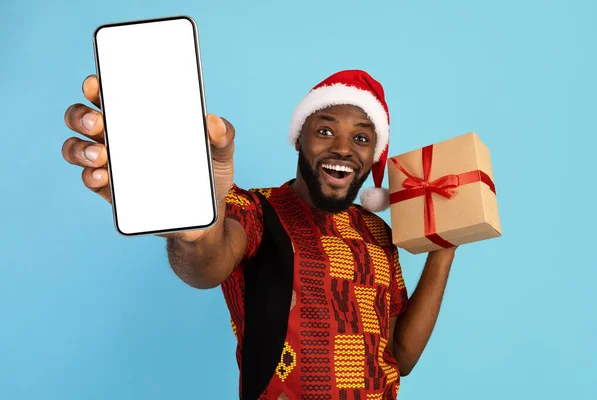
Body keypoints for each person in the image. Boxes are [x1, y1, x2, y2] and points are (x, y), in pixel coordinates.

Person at [63, 69, 457, 400]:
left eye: (361, 138)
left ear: (374, 155)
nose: (342, 149)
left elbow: (400, 357)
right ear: (299, 139)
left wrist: (444, 246)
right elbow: (207, 267)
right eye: (324, 131)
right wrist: (196, 234)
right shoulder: (252, 208)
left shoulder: (377, 232)